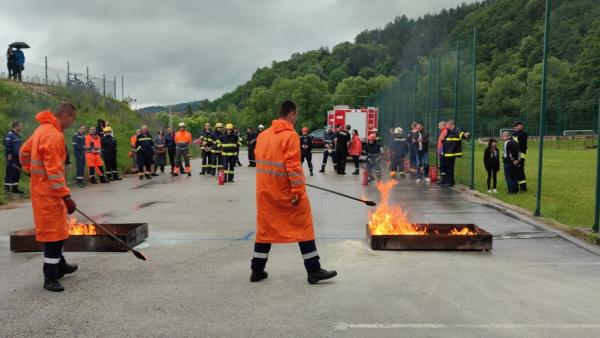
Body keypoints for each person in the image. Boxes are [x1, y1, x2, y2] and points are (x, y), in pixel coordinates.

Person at [251, 100, 337, 284]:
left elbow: (261, 161)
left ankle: (256, 270)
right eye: (295, 115)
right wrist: (298, 189)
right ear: (291, 115)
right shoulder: (290, 135)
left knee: (265, 229)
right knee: (303, 226)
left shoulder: (264, 135)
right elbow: (292, 166)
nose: (296, 119)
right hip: (286, 192)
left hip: (265, 191)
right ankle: (313, 270)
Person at [19, 103, 79, 292]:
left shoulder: (41, 129)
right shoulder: (53, 135)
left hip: (42, 191)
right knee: (53, 235)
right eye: (73, 119)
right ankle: (50, 276)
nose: (72, 123)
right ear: (65, 115)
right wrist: (66, 196)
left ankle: (60, 265)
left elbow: (23, 152)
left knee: (59, 231)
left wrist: (31, 172)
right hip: (50, 194)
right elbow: (54, 172)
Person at [441, 119, 469, 187]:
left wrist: (465, 135)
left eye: (447, 124)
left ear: (451, 124)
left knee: (450, 167)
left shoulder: (456, 130)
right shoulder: (449, 131)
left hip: (451, 153)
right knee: (447, 167)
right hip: (447, 152)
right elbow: (447, 141)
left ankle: (450, 182)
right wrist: (443, 140)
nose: (446, 126)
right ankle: (448, 181)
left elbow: (461, 134)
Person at [3, 121, 24, 194]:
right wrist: (9, 154)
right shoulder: (10, 135)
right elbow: (7, 145)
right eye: (20, 126)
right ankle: (7, 190)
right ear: (16, 126)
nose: (21, 127)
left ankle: (15, 189)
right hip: (12, 157)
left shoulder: (17, 135)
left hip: (18, 157)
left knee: (17, 173)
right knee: (10, 172)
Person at [512, 122, 528, 192]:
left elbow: (520, 144)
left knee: (520, 171)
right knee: (515, 171)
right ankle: (516, 186)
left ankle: (523, 188)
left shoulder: (523, 134)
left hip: (520, 155)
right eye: (518, 126)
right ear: (515, 127)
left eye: (521, 126)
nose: (520, 127)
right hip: (515, 155)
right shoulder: (514, 134)